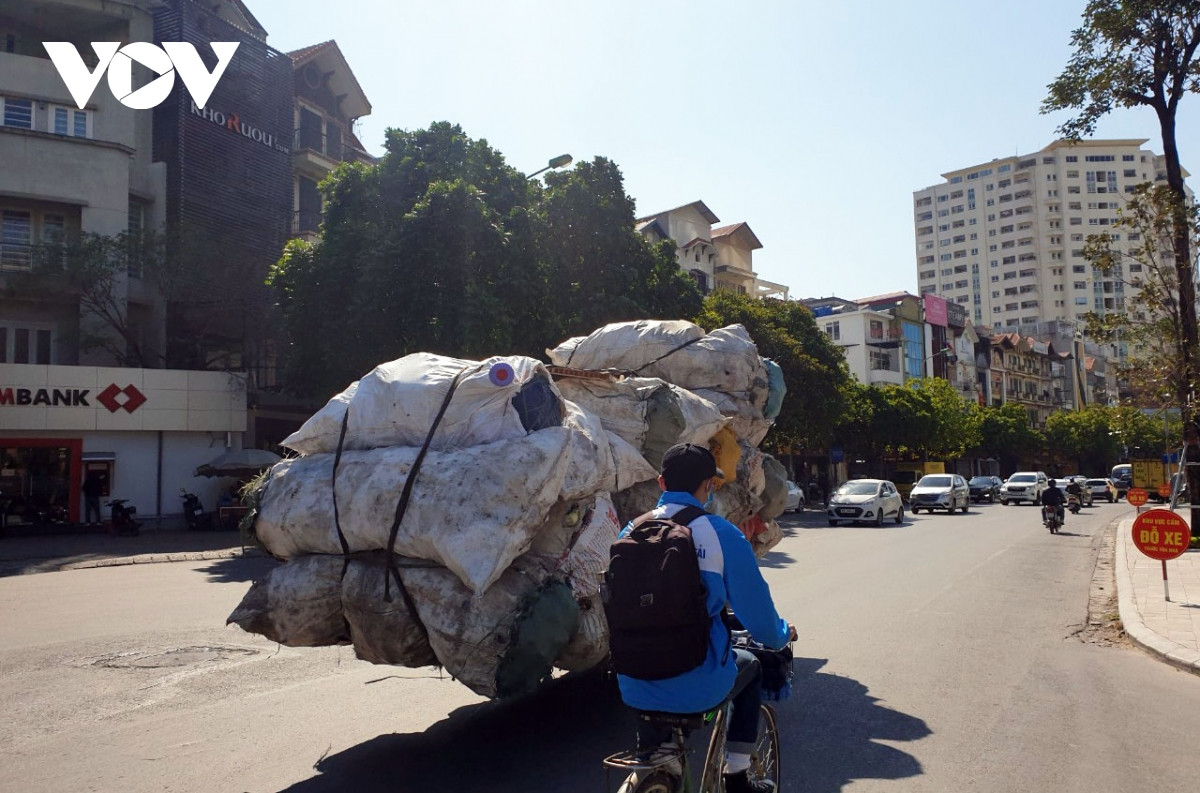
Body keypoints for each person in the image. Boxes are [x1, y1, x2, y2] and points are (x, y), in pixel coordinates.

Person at [615, 443, 795, 793]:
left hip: (632, 681)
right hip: (699, 683)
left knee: (651, 702)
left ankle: (651, 758)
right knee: (752, 666)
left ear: (661, 483)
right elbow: (758, 617)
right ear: (710, 485)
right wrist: (779, 636)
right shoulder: (721, 534)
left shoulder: (630, 531)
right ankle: (738, 776)